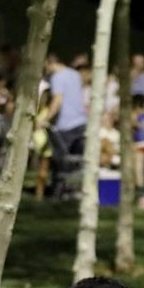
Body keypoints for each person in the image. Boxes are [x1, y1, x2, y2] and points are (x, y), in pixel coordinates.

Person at [39, 54, 88, 197]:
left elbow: (58, 100)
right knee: (77, 160)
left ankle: (57, 192)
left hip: (66, 124)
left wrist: (45, 118)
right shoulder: (74, 74)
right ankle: (74, 190)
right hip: (81, 122)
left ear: (50, 63)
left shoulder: (57, 77)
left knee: (60, 160)